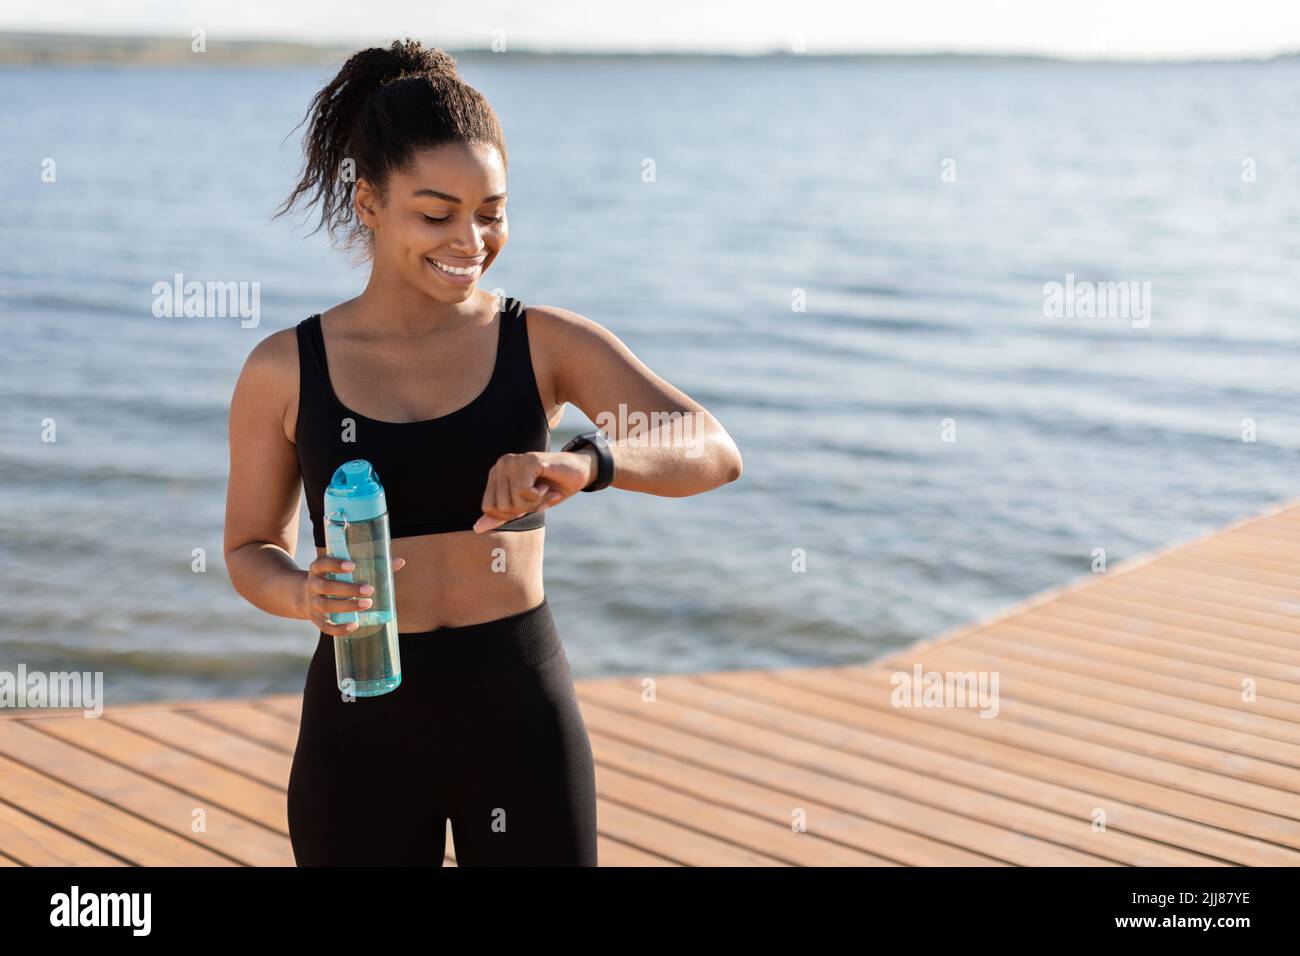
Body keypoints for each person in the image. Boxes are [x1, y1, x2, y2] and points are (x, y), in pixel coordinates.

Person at [222, 38, 743, 866]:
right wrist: (301, 596)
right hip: (360, 728)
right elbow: (251, 548)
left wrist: (586, 464)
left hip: (518, 718)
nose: (471, 239)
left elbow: (711, 449)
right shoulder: (286, 368)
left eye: (492, 211)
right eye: (437, 213)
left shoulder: (539, 341)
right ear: (368, 202)